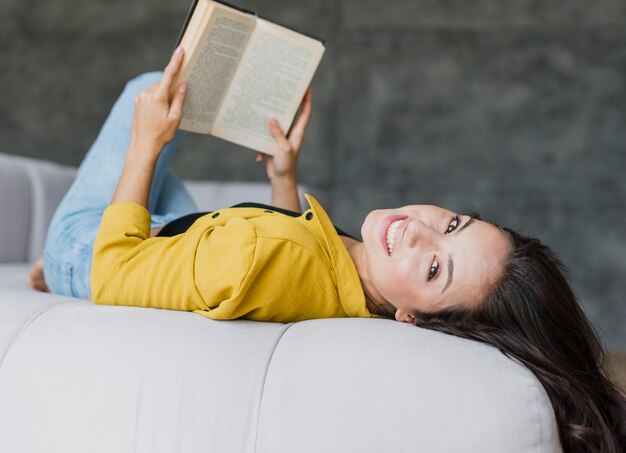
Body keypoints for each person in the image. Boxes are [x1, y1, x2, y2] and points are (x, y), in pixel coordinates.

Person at [31, 47, 624, 451]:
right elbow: (292, 253)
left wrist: (145, 146)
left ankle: (46, 269)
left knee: (148, 90)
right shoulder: (345, 280)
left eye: (436, 266)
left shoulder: (268, 256)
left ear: (413, 319)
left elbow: (114, 271)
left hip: (90, 248)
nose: (418, 229)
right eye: (453, 222)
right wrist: (284, 178)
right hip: (189, 231)